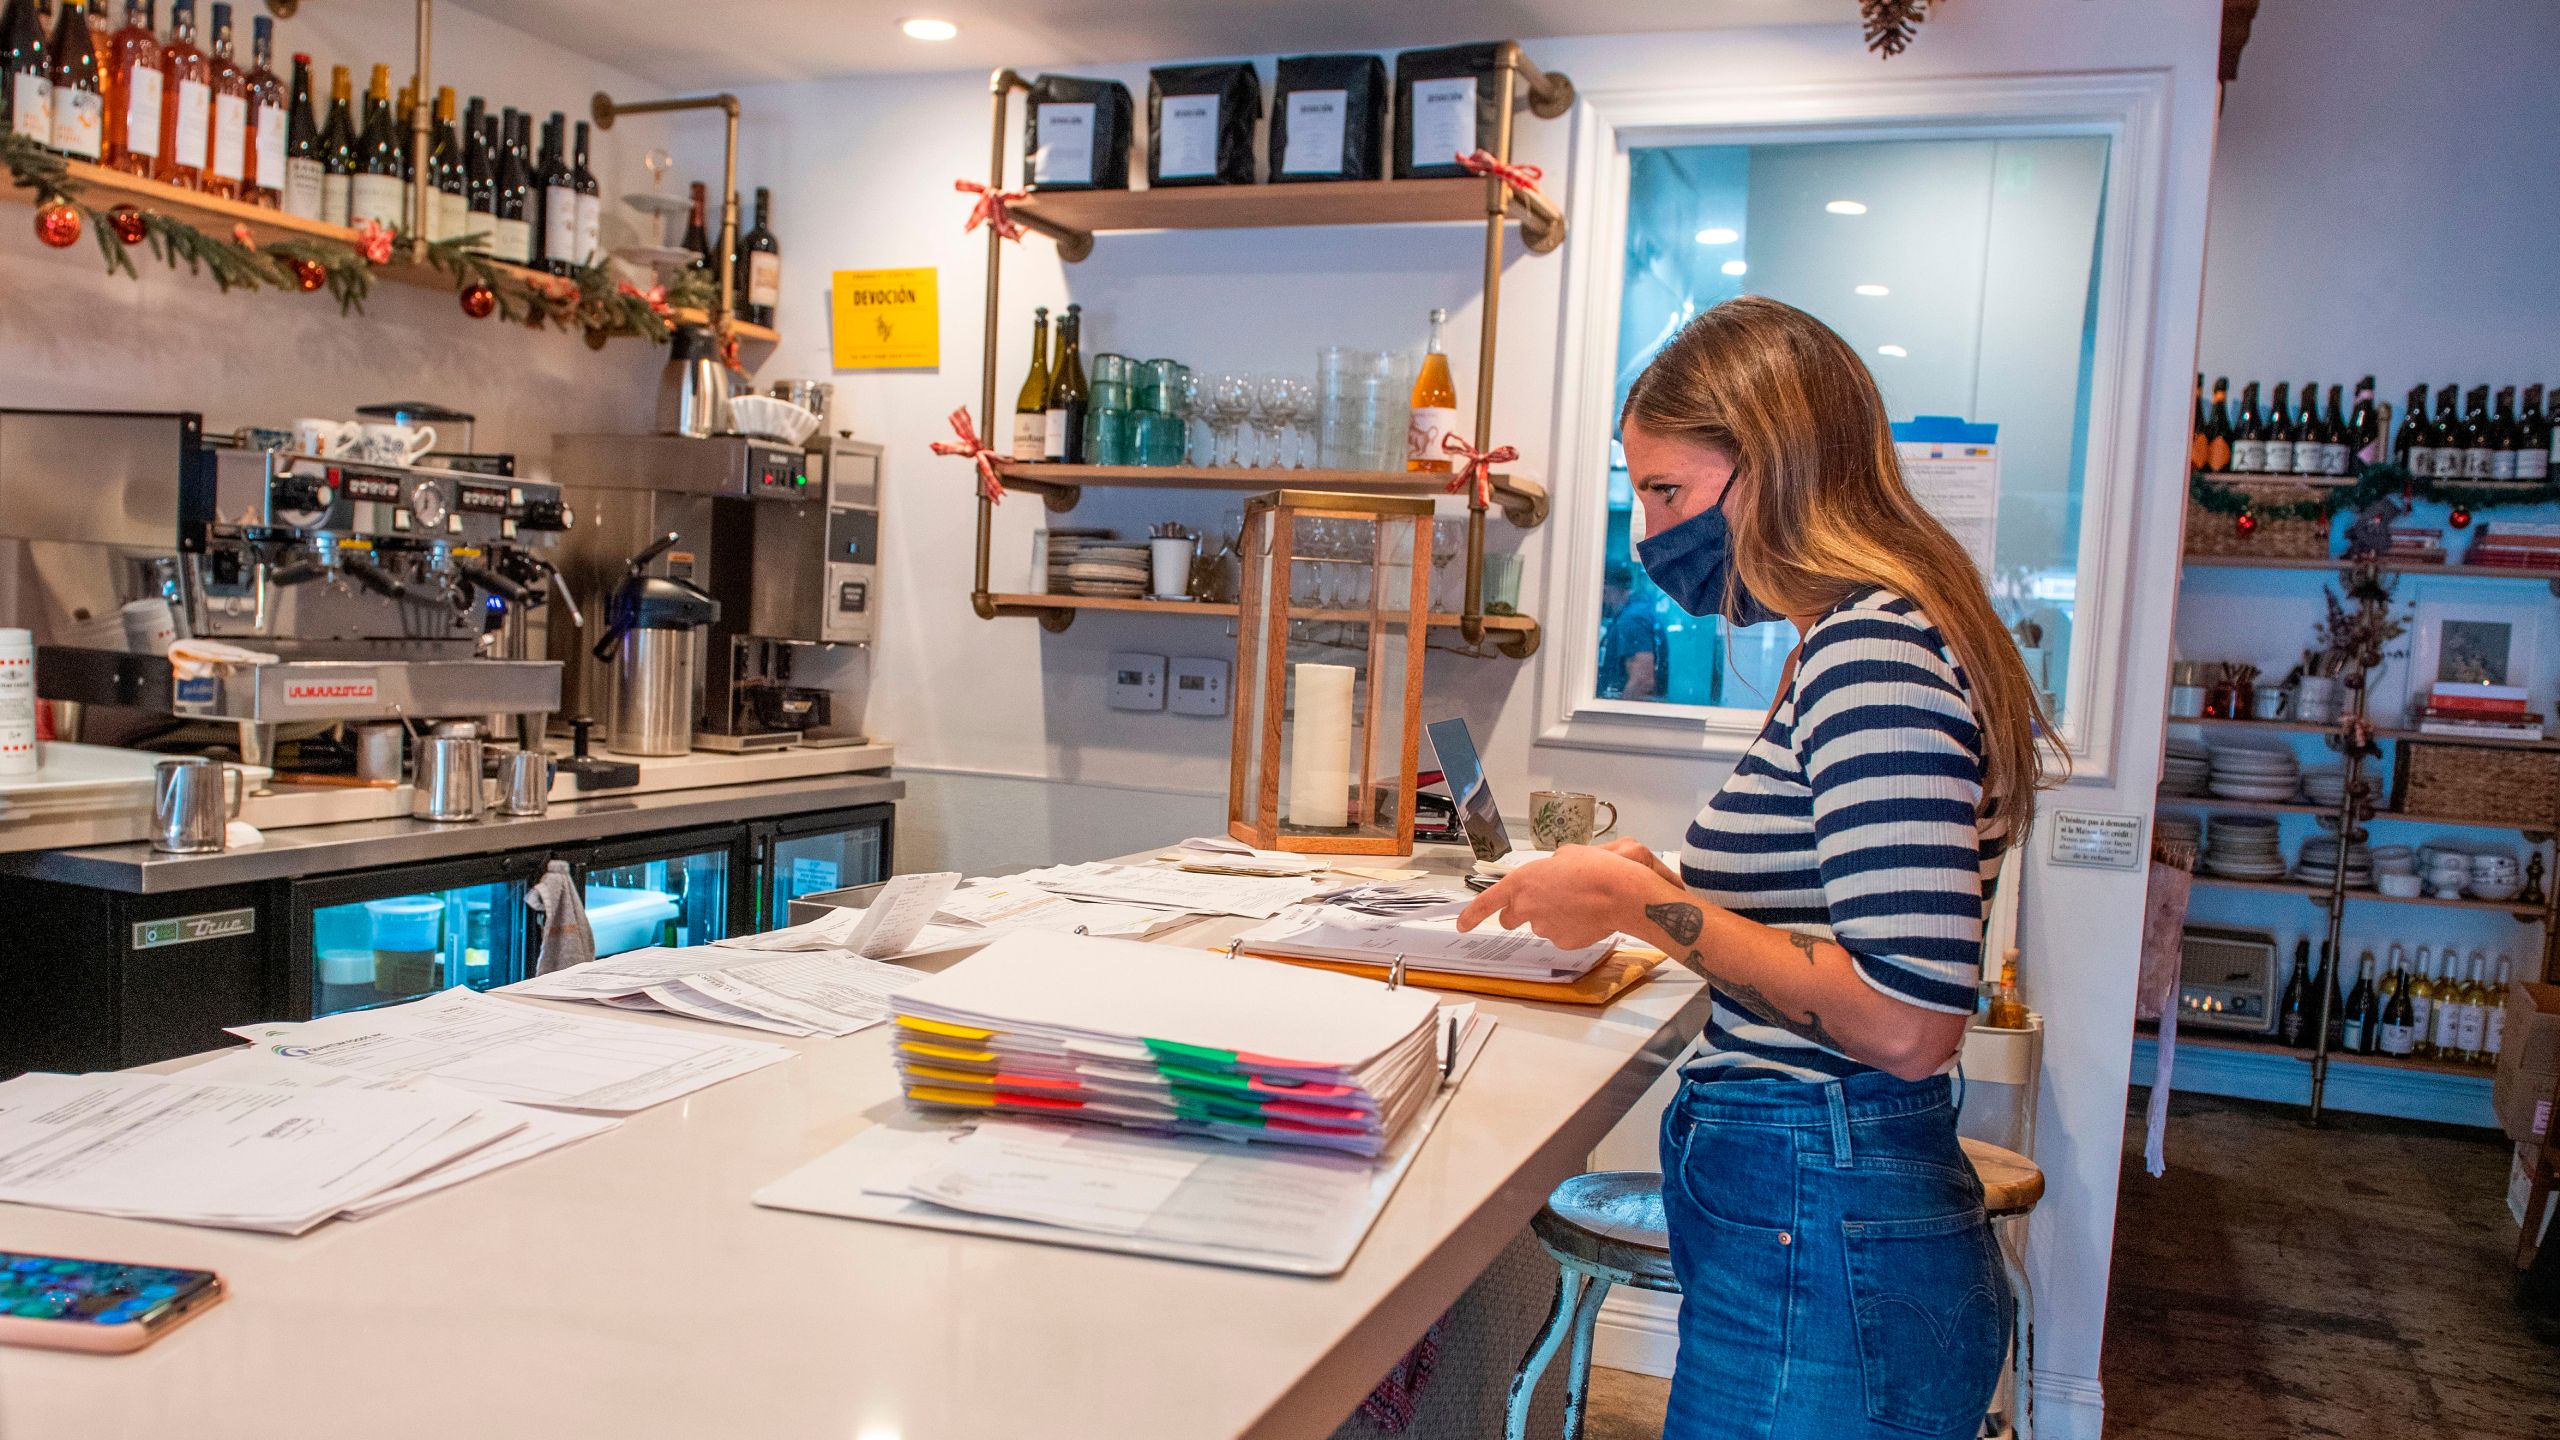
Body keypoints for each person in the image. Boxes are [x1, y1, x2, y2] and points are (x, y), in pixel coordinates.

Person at [1458, 295, 2061, 1440]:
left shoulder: (1873, 650)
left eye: (1668, 494)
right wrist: (1666, 889)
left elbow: (1904, 1020)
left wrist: (1642, 902)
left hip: (1823, 1204)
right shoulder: (1854, 639)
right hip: (1814, 1206)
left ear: (1771, 468)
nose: (1648, 532)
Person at [1596, 565, 1668, 699]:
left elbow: (1642, 681)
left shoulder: (1631, 620)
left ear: (1605, 590)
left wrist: (1614, 715)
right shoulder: (1639, 613)